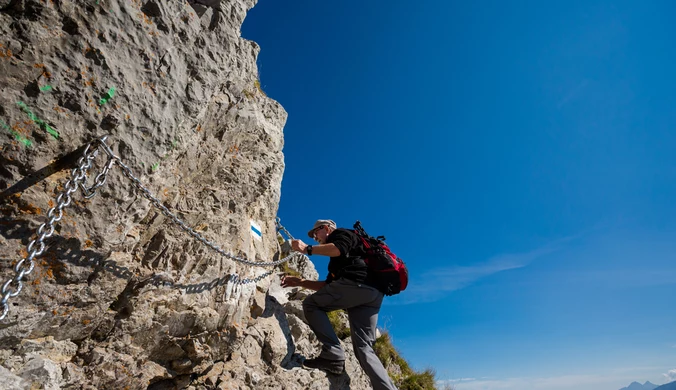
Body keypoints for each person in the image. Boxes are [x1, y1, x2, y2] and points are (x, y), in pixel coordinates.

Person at [281, 219, 398, 390]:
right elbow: (328, 286)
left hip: (357, 285)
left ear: (326, 229)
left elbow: (337, 248)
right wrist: (299, 282)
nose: (315, 238)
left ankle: (333, 354)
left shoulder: (342, 234)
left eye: (315, 233)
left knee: (311, 305)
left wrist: (307, 249)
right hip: (372, 294)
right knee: (364, 348)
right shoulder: (342, 260)